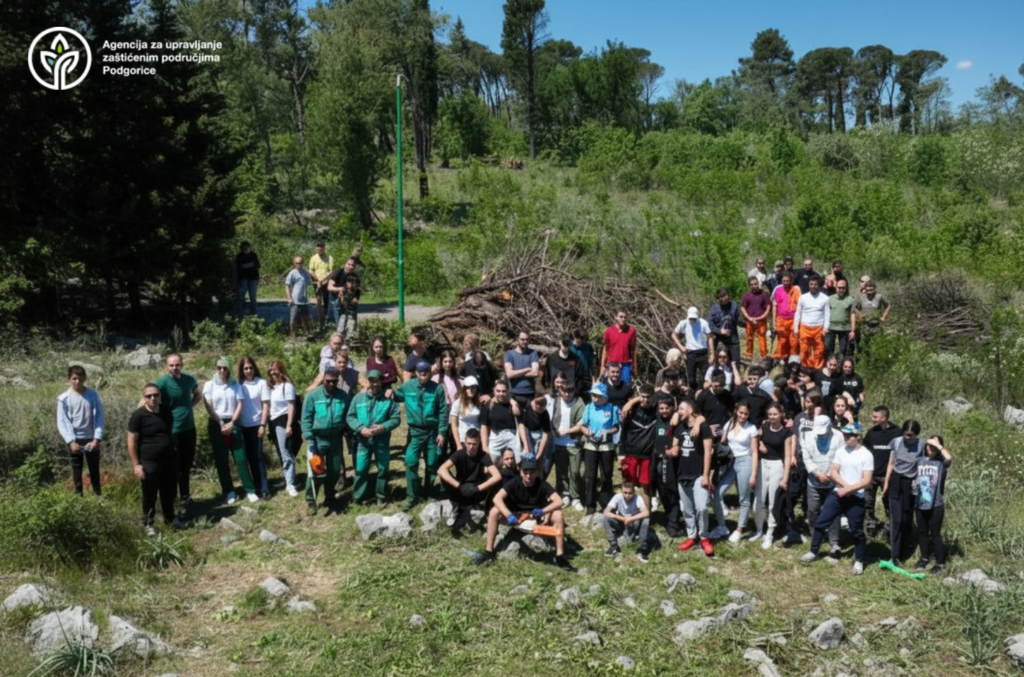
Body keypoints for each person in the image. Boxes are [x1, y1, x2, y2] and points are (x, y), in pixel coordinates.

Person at [473, 454, 574, 572]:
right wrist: (508, 515)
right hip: (516, 516)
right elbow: (497, 498)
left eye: (532, 471)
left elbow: (559, 501)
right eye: (526, 471)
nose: (529, 475)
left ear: (536, 472)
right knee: (494, 511)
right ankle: (489, 551)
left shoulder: (542, 484)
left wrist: (543, 511)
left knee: (558, 514)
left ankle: (559, 556)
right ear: (521, 472)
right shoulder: (514, 482)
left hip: (536, 517)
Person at [800, 422, 873, 576]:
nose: (846, 437)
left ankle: (859, 560)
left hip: (856, 497)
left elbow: (866, 481)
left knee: (857, 530)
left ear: (858, 437)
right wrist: (845, 487)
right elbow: (833, 472)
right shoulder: (841, 451)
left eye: (850, 435)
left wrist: (849, 490)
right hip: (838, 494)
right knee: (820, 523)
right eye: (845, 434)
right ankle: (814, 551)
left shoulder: (866, 455)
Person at [127, 384, 185, 535]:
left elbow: (169, 433)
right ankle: (148, 523)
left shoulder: (166, 411)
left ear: (160, 396)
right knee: (150, 493)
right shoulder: (138, 416)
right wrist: (136, 465)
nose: (153, 398)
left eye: (155, 395)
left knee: (169, 491)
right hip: (149, 461)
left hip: (169, 459)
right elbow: (131, 441)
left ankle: (170, 518)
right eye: (149, 396)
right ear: (144, 397)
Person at [394, 360, 449, 509]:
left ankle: (430, 493)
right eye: (420, 373)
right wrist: (389, 392)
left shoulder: (437, 389)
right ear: (416, 373)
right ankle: (412, 495)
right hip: (415, 433)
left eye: (426, 374)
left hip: (432, 432)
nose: (423, 376)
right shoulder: (407, 386)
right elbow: (396, 395)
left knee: (431, 463)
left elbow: (443, 412)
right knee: (411, 462)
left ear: (430, 373)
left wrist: (442, 432)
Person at [203, 357, 257, 504]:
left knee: (240, 458)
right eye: (219, 367)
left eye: (225, 368)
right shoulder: (210, 385)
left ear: (229, 369)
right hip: (216, 422)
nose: (222, 371)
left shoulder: (236, 385)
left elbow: (240, 404)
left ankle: (250, 489)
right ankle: (229, 491)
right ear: (216, 368)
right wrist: (220, 422)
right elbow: (208, 405)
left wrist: (232, 422)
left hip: (233, 422)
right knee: (221, 460)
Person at [347, 370, 402, 505]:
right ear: (367, 382)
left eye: (376, 381)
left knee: (383, 469)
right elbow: (350, 416)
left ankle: (381, 496)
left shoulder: (388, 399)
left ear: (381, 381)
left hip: (381, 440)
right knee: (361, 469)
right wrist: (361, 428)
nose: (374, 384)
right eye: (371, 381)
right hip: (363, 441)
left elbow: (396, 418)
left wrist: (383, 427)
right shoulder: (358, 399)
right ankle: (358, 498)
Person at [302, 365, 350, 515]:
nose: (331, 384)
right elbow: (306, 418)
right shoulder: (312, 396)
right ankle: (311, 500)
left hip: (336, 439)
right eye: (328, 381)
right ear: (323, 379)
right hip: (318, 440)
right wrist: (309, 437)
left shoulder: (343, 396)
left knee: (335, 470)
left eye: (334, 381)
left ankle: (329, 496)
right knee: (316, 471)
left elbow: (348, 416)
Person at [438, 428, 503, 537]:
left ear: (479, 443)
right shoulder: (459, 454)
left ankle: (484, 509)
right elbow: (441, 470)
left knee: (497, 482)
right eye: (469, 443)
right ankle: (457, 506)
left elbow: (497, 475)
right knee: (444, 475)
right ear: (465, 442)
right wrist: (458, 485)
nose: (471, 447)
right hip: (460, 488)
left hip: (476, 491)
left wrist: (479, 488)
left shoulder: (483, 456)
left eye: (475, 444)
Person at [155, 354, 201, 509]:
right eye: (171, 365)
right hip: (172, 430)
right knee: (173, 466)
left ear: (182, 365)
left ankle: (185, 496)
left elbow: (197, 394)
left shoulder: (189, 380)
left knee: (186, 465)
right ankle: (171, 500)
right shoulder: (162, 382)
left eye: (177, 365)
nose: (174, 368)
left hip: (189, 428)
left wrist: (190, 405)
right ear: (166, 366)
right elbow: (150, 398)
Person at [672, 398, 716, 557]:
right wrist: (672, 451)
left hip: (699, 475)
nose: (679, 412)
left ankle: (704, 537)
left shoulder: (703, 427)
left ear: (690, 410)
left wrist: (706, 475)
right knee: (687, 509)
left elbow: (708, 453)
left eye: (681, 409)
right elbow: (675, 446)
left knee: (702, 508)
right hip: (682, 474)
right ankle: (691, 536)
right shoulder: (680, 428)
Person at [57, 365, 105, 496]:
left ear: (85, 378)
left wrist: (96, 439)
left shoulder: (92, 395)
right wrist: (71, 442)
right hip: (75, 439)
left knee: (94, 469)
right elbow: (62, 422)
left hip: (91, 437)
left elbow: (100, 417)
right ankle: (79, 499)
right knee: (77, 470)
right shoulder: (64, 398)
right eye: (74, 378)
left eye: (80, 378)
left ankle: (97, 496)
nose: (77, 381)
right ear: (69, 379)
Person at [716, 402, 760, 544]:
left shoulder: (751, 428)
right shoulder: (729, 424)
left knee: (744, 498)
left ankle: (740, 529)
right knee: (717, 493)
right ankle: (722, 525)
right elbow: (723, 442)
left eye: (745, 414)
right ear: (736, 411)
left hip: (745, 461)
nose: (742, 416)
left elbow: (754, 452)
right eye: (740, 412)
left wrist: (753, 473)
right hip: (730, 461)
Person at [800, 414, 843, 558]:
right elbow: (806, 457)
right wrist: (816, 472)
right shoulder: (806, 436)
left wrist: (831, 473)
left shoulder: (839, 437)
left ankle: (834, 541)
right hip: (814, 480)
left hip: (833, 480)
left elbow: (840, 456)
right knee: (813, 510)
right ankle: (816, 537)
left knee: (833, 512)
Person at [882, 419, 924, 566]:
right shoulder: (897, 442)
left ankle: (904, 550)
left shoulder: (921, 445)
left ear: (916, 435)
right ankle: (894, 556)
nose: (908, 438)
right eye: (906, 434)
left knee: (906, 519)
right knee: (896, 519)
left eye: (911, 435)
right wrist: (886, 483)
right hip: (896, 480)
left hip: (910, 483)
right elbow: (891, 463)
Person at [755, 403, 793, 550]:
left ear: (781, 414)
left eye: (775, 414)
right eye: (770, 414)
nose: (772, 417)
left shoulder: (786, 433)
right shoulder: (764, 427)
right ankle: (759, 530)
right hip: (763, 464)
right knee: (758, 501)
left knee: (772, 503)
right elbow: (756, 439)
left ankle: (770, 533)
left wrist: (785, 477)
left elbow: (788, 456)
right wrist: (760, 443)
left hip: (777, 466)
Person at [580, 383, 621, 515]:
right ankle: (590, 506)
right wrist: (586, 432)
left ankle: (606, 502)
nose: (595, 398)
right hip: (591, 445)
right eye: (593, 395)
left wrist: (608, 431)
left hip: (606, 446)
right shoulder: (589, 407)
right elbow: (582, 425)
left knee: (607, 475)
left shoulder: (612, 408)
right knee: (590, 476)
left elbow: (616, 427)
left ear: (604, 396)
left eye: (598, 396)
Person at [914, 435, 952, 574]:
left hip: (936, 503)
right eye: (928, 445)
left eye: (933, 446)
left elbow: (949, 458)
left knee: (935, 533)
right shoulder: (920, 460)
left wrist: (938, 445)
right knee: (922, 532)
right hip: (920, 502)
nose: (930, 448)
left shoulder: (941, 462)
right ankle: (924, 558)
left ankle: (940, 562)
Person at [862, 405, 901, 537]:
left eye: (875, 417)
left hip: (888, 475)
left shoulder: (897, 433)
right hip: (871, 475)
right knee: (868, 502)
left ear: (884, 417)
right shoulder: (871, 432)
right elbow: (864, 450)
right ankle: (870, 523)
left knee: (888, 502)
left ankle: (891, 526)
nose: (873, 419)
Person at [618, 385, 658, 511]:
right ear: (639, 396)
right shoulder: (631, 410)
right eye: (643, 397)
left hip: (647, 455)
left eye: (648, 397)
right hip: (630, 453)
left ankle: (646, 513)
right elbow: (623, 432)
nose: (645, 400)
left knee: (646, 485)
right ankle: (628, 510)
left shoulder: (657, 411)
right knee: (628, 483)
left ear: (653, 398)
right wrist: (621, 452)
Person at [237, 357, 271, 498]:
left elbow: (265, 405)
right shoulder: (239, 384)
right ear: (242, 370)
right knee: (248, 457)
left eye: (251, 368)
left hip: (257, 424)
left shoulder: (261, 383)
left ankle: (264, 487)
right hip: (243, 425)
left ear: (254, 368)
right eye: (246, 368)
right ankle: (254, 485)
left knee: (258, 456)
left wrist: (263, 424)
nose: (249, 371)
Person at [651, 393, 684, 537]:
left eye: (667, 408)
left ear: (672, 408)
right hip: (657, 461)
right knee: (662, 491)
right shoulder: (656, 420)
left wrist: (677, 414)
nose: (664, 411)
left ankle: (673, 524)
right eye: (661, 408)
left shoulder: (678, 422)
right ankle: (670, 516)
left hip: (672, 463)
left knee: (672, 492)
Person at [266, 360, 300, 497]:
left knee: (286, 453)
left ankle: (290, 484)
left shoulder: (287, 386)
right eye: (270, 370)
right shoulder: (271, 387)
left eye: (275, 370)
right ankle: (287, 479)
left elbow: (291, 406)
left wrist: (289, 425)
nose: (272, 373)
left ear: (281, 370)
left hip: (283, 420)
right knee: (281, 452)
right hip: (273, 422)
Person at [550, 380, 586, 511]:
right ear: (560, 391)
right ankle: (564, 494)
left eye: (570, 391)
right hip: (558, 443)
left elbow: (582, 423)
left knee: (575, 472)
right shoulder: (554, 402)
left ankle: (575, 496)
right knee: (561, 471)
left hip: (573, 442)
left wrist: (566, 431)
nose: (567, 394)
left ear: (574, 391)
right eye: (564, 391)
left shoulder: (579, 402)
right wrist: (554, 431)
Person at [602, 481, 653, 562]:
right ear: (621, 491)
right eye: (625, 493)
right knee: (606, 518)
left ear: (634, 492)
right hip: (621, 523)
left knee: (646, 519)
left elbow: (646, 512)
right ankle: (613, 546)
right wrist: (623, 519)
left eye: (630, 493)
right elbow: (606, 511)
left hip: (634, 523)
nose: (627, 495)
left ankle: (642, 549)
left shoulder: (638, 498)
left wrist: (631, 519)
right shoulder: (617, 497)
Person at [672, 306, 713, 394]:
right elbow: (674, 334)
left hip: (703, 351)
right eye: (691, 318)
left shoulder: (703, 323)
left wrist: (712, 353)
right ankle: (693, 393)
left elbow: (710, 337)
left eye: (694, 318)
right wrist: (681, 346)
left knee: (705, 376)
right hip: (691, 353)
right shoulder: (684, 323)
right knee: (691, 379)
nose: (692, 320)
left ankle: (703, 393)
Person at [793, 275, 830, 370]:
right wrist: (796, 328)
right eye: (811, 284)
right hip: (805, 327)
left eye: (815, 284)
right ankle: (806, 368)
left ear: (819, 285)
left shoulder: (825, 298)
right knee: (804, 349)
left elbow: (827, 315)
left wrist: (825, 329)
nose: (813, 286)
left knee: (819, 350)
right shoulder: (803, 298)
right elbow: (798, 313)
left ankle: (817, 369)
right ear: (808, 285)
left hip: (819, 328)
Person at [481, 381, 521, 463]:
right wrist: (485, 446)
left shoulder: (513, 403)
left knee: (515, 463)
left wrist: (514, 404)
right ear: (493, 391)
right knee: (491, 464)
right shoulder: (488, 405)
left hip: (512, 437)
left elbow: (521, 425)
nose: (501, 394)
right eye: (498, 391)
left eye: (504, 391)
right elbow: (484, 426)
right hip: (496, 437)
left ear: (508, 391)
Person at [543, 333, 588, 397]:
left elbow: (581, 378)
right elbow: (546, 377)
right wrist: (549, 391)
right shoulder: (551, 358)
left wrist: (575, 392)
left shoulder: (576, 359)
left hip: (570, 395)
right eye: (564, 344)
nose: (566, 347)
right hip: (555, 395)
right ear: (560, 343)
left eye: (568, 345)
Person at [601, 310, 638, 385]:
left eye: (625, 317)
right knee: (609, 386)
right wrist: (602, 366)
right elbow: (605, 349)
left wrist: (635, 368)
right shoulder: (609, 331)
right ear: (616, 318)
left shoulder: (631, 331)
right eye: (621, 317)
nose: (623, 319)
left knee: (625, 386)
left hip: (625, 364)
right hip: (611, 364)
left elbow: (633, 350)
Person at [504, 332, 540, 408]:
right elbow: (509, 374)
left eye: (526, 340)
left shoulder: (533, 353)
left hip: (530, 393)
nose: (525, 342)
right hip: (514, 393)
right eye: (522, 339)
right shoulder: (509, 354)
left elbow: (535, 373)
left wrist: (516, 373)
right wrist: (527, 369)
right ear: (518, 339)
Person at [327, 258, 360, 340]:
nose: (350, 267)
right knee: (340, 316)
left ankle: (351, 335)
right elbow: (329, 287)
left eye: (353, 265)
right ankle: (340, 335)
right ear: (345, 264)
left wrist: (356, 297)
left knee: (352, 316)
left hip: (349, 299)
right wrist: (341, 289)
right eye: (349, 264)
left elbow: (358, 290)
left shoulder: (355, 277)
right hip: (336, 296)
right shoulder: (338, 272)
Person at [771, 272, 801, 364]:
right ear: (781, 281)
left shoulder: (796, 290)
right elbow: (774, 307)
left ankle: (793, 360)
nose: (786, 282)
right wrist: (774, 323)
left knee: (794, 342)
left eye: (788, 281)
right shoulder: (778, 290)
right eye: (784, 281)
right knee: (782, 342)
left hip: (793, 320)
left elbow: (800, 306)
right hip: (781, 320)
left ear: (791, 281)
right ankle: (780, 360)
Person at [855, 280, 891, 353]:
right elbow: (856, 307)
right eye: (867, 290)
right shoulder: (862, 297)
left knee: (878, 346)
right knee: (866, 346)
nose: (869, 292)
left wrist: (884, 316)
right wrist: (860, 314)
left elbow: (888, 305)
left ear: (875, 288)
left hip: (877, 325)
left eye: (871, 290)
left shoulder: (879, 297)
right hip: (866, 325)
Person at [741, 275, 771, 360]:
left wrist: (762, 317)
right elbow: (743, 307)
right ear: (749, 285)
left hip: (761, 320)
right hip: (750, 320)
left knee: (762, 337)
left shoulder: (764, 294)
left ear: (758, 283)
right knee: (749, 337)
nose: (754, 286)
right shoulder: (746, 295)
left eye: (755, 284)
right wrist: (748, 317)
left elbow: (768, 307)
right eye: (752, 284)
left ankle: (764, 354)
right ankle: (749, 353)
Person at [709, 288, 741, 366]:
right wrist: (720, 331)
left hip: (733, 339)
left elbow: (738, 319)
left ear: (728, 295)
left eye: (725, 295)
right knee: (719, 364)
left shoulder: (734, 305)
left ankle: (734, 377)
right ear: (718, 298)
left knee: (735, 364)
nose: (724, 298)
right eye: (721, 297)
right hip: (719, 340)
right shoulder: (714, 309)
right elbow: (710, 325)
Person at [825, 278, 856, 358]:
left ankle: (841, 367)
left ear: (846, 288)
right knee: (828, 349)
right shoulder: (830, 299)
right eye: (839, 287)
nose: (841, 289)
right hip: (831, 328)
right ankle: (829, 367)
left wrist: (853, 330)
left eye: (843, 288)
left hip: (845, 328)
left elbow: (852, 315)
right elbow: (825, 313)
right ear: (836, 287)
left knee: (843, 351)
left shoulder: (851, 299)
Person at [308, 242, 335, 332]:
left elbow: (331, 271)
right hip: (317, 282)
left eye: (321, 247)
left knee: (327, 300)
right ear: (316, 248)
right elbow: (311, 271)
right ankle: (320, 319)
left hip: (326, 281)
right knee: (319, 300)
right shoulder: (313, 258)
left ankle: (327, 319)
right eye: (318, 248)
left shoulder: (329, 258)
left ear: (324, 248)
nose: (319, 249)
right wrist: (318, 281)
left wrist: (325, 280)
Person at [284, 256, 313, 339]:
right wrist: (289, 298)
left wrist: (310, 296)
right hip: (295, 300)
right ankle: (292, 337)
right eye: (297, 263)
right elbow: (287, 285)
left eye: (300, 263)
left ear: (303, 263)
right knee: (293, 320)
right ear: (294, 264)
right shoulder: (292, 273)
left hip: (304, 300)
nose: (299, 264)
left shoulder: (305, 272)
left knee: (307, 318)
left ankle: (309, 334)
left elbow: (309, 285)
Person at [450, 377, 483, 449]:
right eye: (468, 388)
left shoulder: (479, 402)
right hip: (462, 439)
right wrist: (458, 444)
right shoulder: (457, 403)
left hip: (476, 438)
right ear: (464, 389)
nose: (470, 390)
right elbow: (454, 425)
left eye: (473, 387)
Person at [520, 396, 552, 470]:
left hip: (539, 436)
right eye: (538, 403)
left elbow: (546, 434)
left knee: (541, 459)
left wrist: (539, 455)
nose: (540, 406)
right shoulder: (527, 407)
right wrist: (526, 447)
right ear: (533, 402)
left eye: (543, 404)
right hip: (526, 433)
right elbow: (521, 426)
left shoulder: (545, 414)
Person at [234, 240, 260, 317]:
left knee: (253, 297)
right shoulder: (239, 256)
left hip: (253, 278)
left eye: (247, 247)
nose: (245, 249)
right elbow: (238, 268)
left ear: (249, 247)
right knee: (240, 297)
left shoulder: (253, 255)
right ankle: (240, 314)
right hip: (243, 279)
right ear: (241, 248)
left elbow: (257, 265)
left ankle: (254, 314)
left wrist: (246, 266)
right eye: (244, 247)